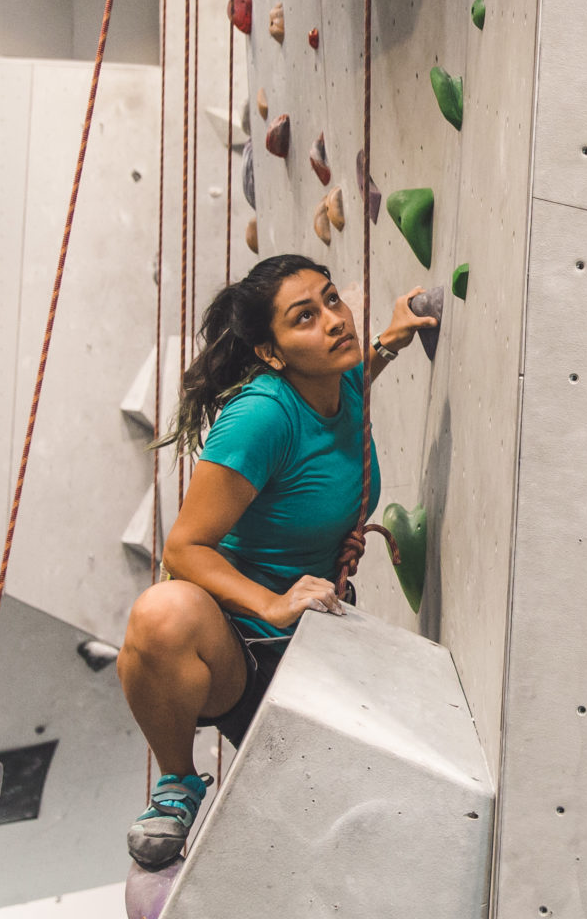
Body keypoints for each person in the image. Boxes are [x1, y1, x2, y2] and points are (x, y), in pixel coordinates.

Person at [116, 254, 425, 870]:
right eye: (304, 318)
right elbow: (182, 547)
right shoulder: (260, 416)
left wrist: (390, 338)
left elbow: (357, 374)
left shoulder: (337, 377)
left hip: (317, 642)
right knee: (159, 613)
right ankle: (177, 785)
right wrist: (273, 604)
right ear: (272, 354)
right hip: (243, 649)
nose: (335, 322)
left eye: (332, 301)